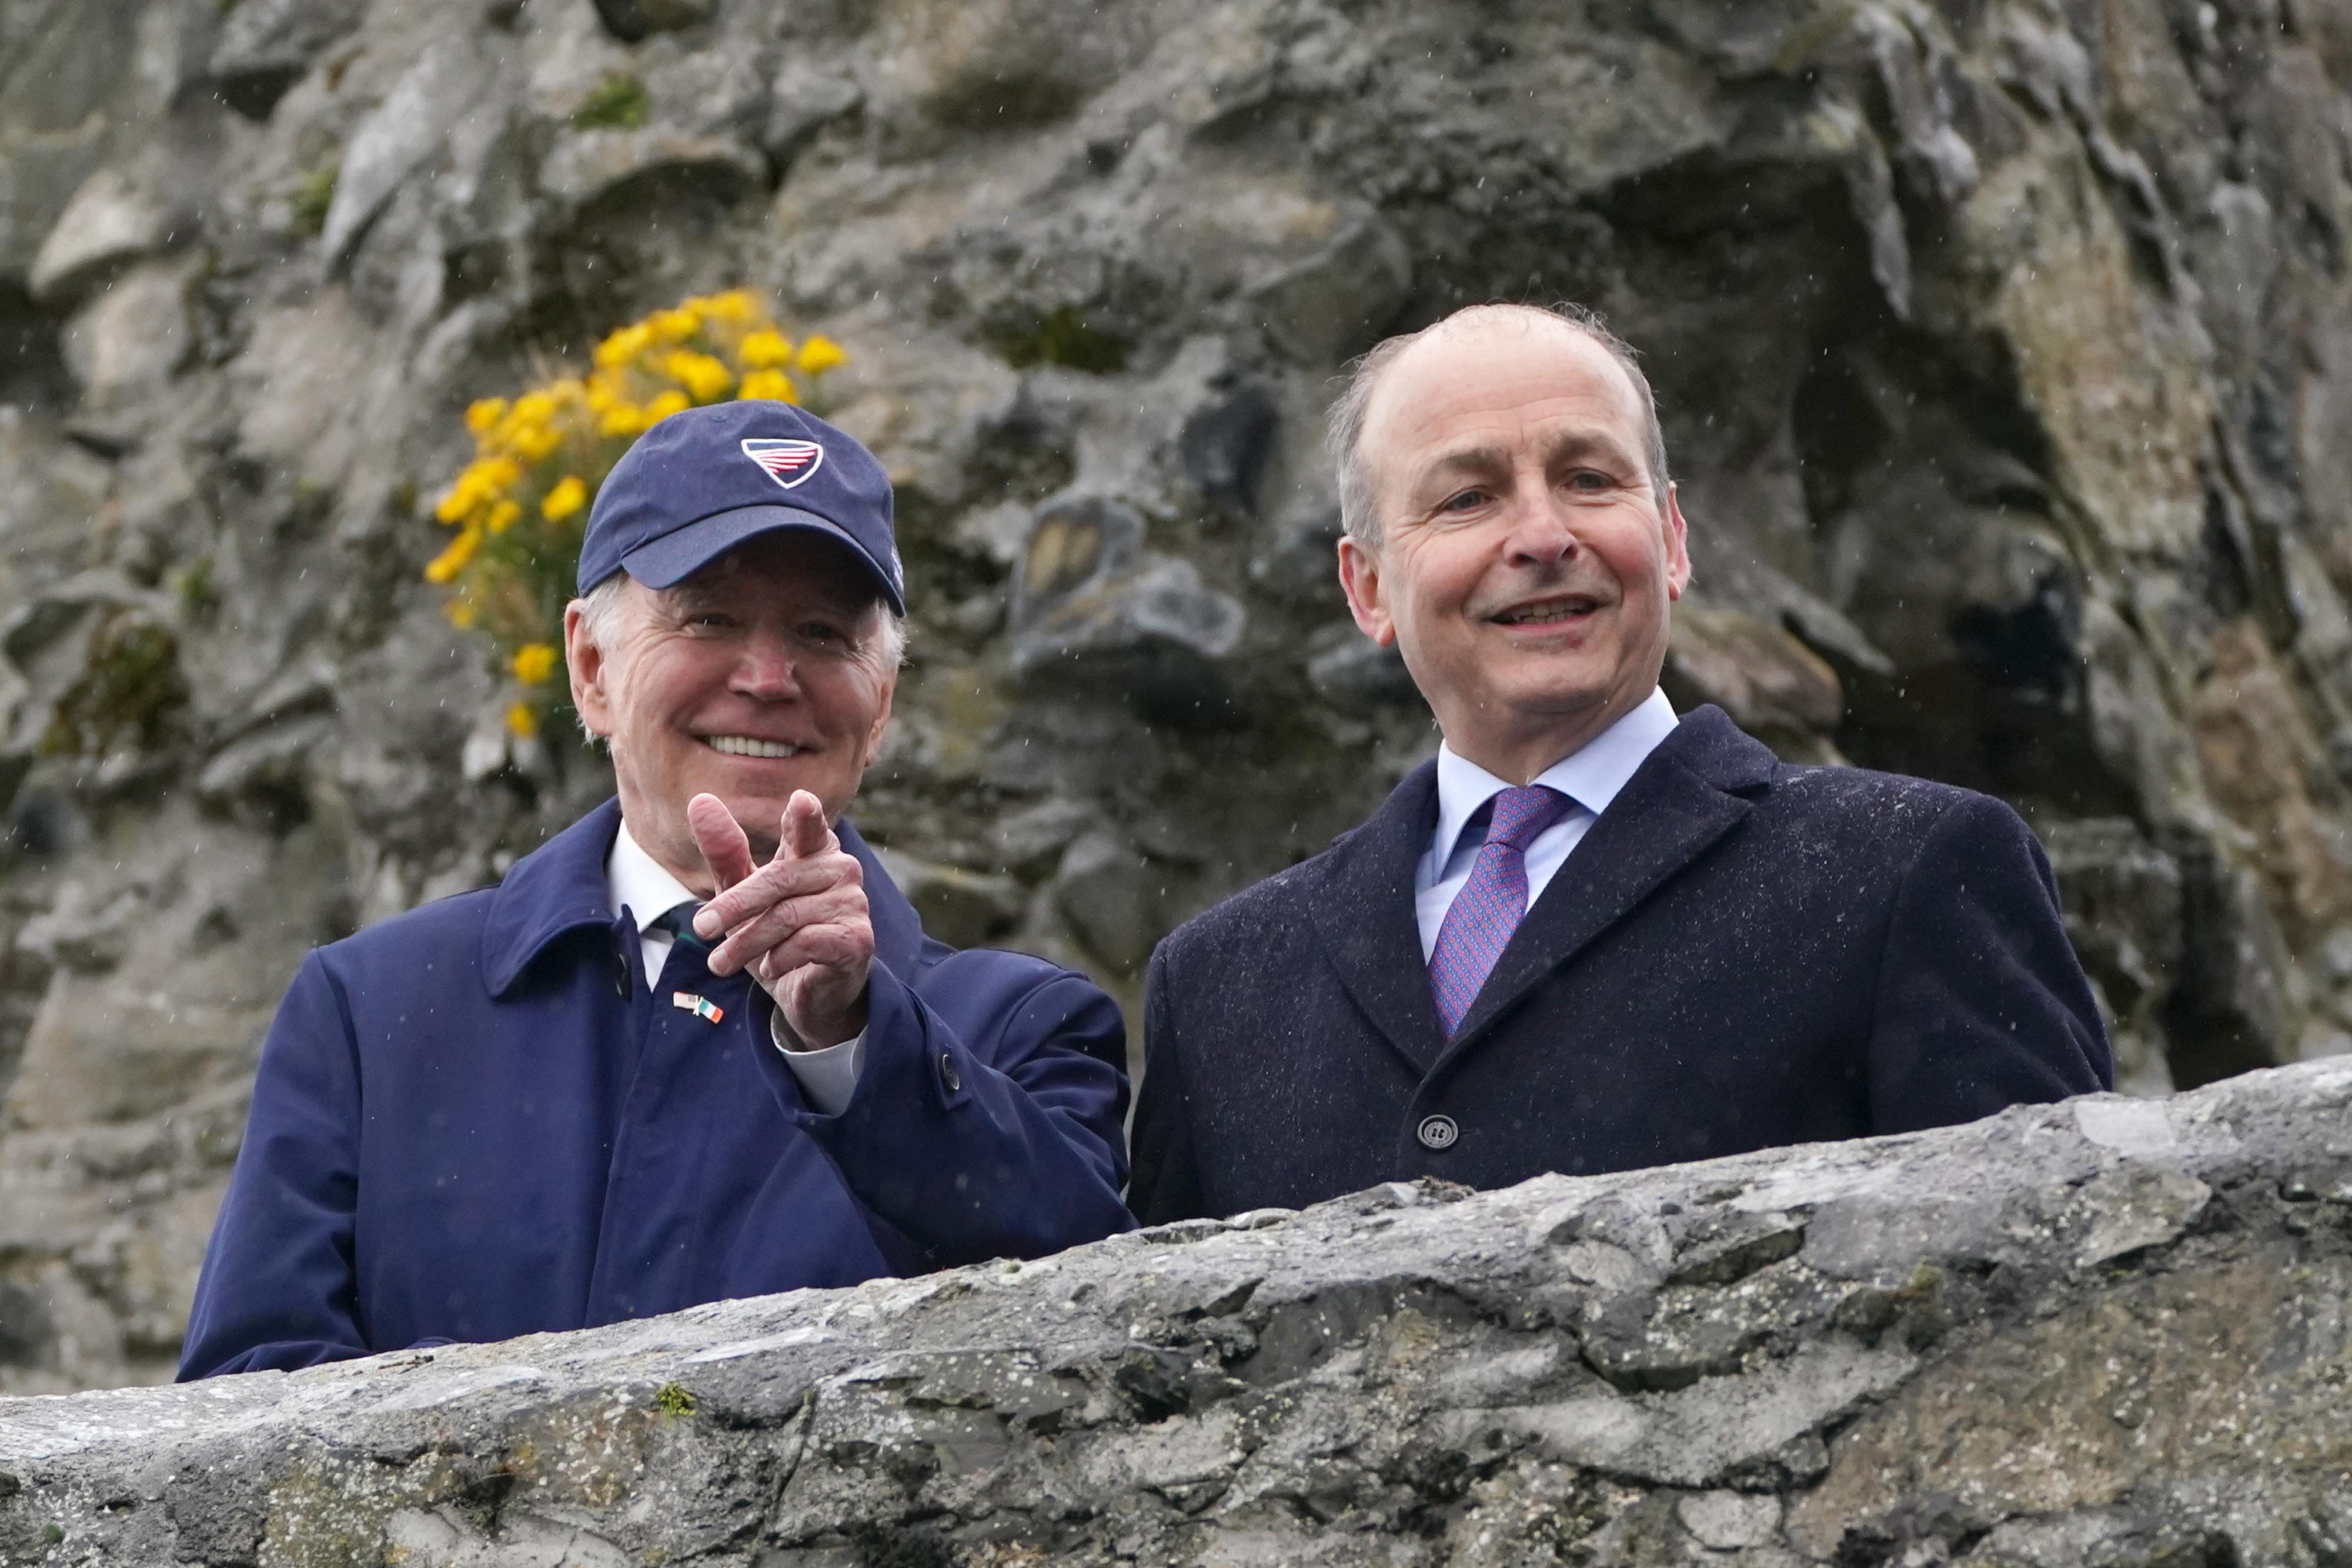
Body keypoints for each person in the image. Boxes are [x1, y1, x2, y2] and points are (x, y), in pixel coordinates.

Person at [182, 401, 1132, 1377]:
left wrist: (853, 1046)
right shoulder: (372, 1015)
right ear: (591, 667)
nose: (769, 677)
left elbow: (1097, 1351)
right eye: (709, 617)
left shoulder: (1026, 1036)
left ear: (880, 703)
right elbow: (242, 1408)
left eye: (822, 633)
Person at [1127, 302, 2110, 1224]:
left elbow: (2042, 1298)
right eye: (1468, 498)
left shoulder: (1910, 869)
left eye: (1590, 480)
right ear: (1369, 586)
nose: (1546, 537)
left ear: (1673, 539)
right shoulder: (1218, 988)